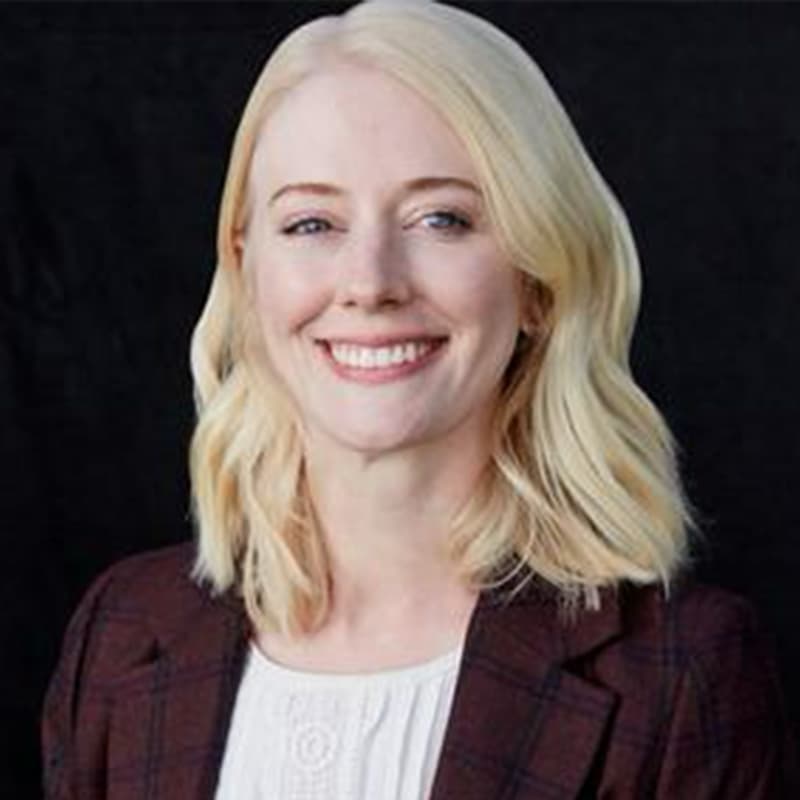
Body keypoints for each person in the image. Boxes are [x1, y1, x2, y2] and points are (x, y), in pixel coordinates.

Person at [41, 1, 796, 798]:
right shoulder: (123, 639)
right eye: (310, 223)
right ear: (246, 268)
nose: (370, 282)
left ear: (539, 279)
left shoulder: (680, 678)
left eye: (443, 218)